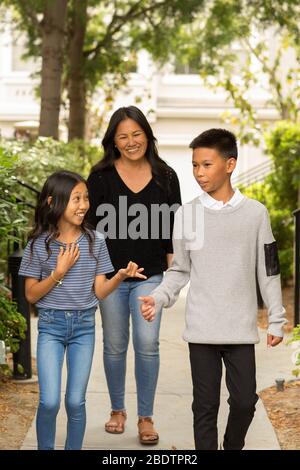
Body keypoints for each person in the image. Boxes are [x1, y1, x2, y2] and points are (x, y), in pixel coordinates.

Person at [139, 128, 287, 450]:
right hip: (202, 329)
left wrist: (277, 318)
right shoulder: (187, 215)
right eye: (195, 165)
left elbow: (270, 270)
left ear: (230, 164)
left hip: (239, 329)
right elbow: (179, 270)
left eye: (206, 165)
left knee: (245, 402)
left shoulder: (256, 215)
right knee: (204, 407)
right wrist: (159, 296)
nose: (198, 173)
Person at [18, 170, 146, 450]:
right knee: (49, 400)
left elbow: (99, 291)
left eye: (86, 198)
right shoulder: (38, 245)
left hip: (83, 328)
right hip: (51, 326)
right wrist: (58, 273)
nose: (84, 205)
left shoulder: (95, 241)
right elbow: (30, 295)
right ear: (54, 201)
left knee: (75, 401)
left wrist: (120, 276)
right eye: (76, 198)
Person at [87, 106, 181, 444]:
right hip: (110, 278)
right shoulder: (99, 177)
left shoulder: (166, 176)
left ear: (147, 135)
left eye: (136, 134)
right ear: (113, 140)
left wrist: (172, 280)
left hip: (151, 277)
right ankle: (117, 410)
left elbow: (174, 230)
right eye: (123, 136)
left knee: (147, 344)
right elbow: (89, 231)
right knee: (114, 346)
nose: (131, 142)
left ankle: (145, 417)